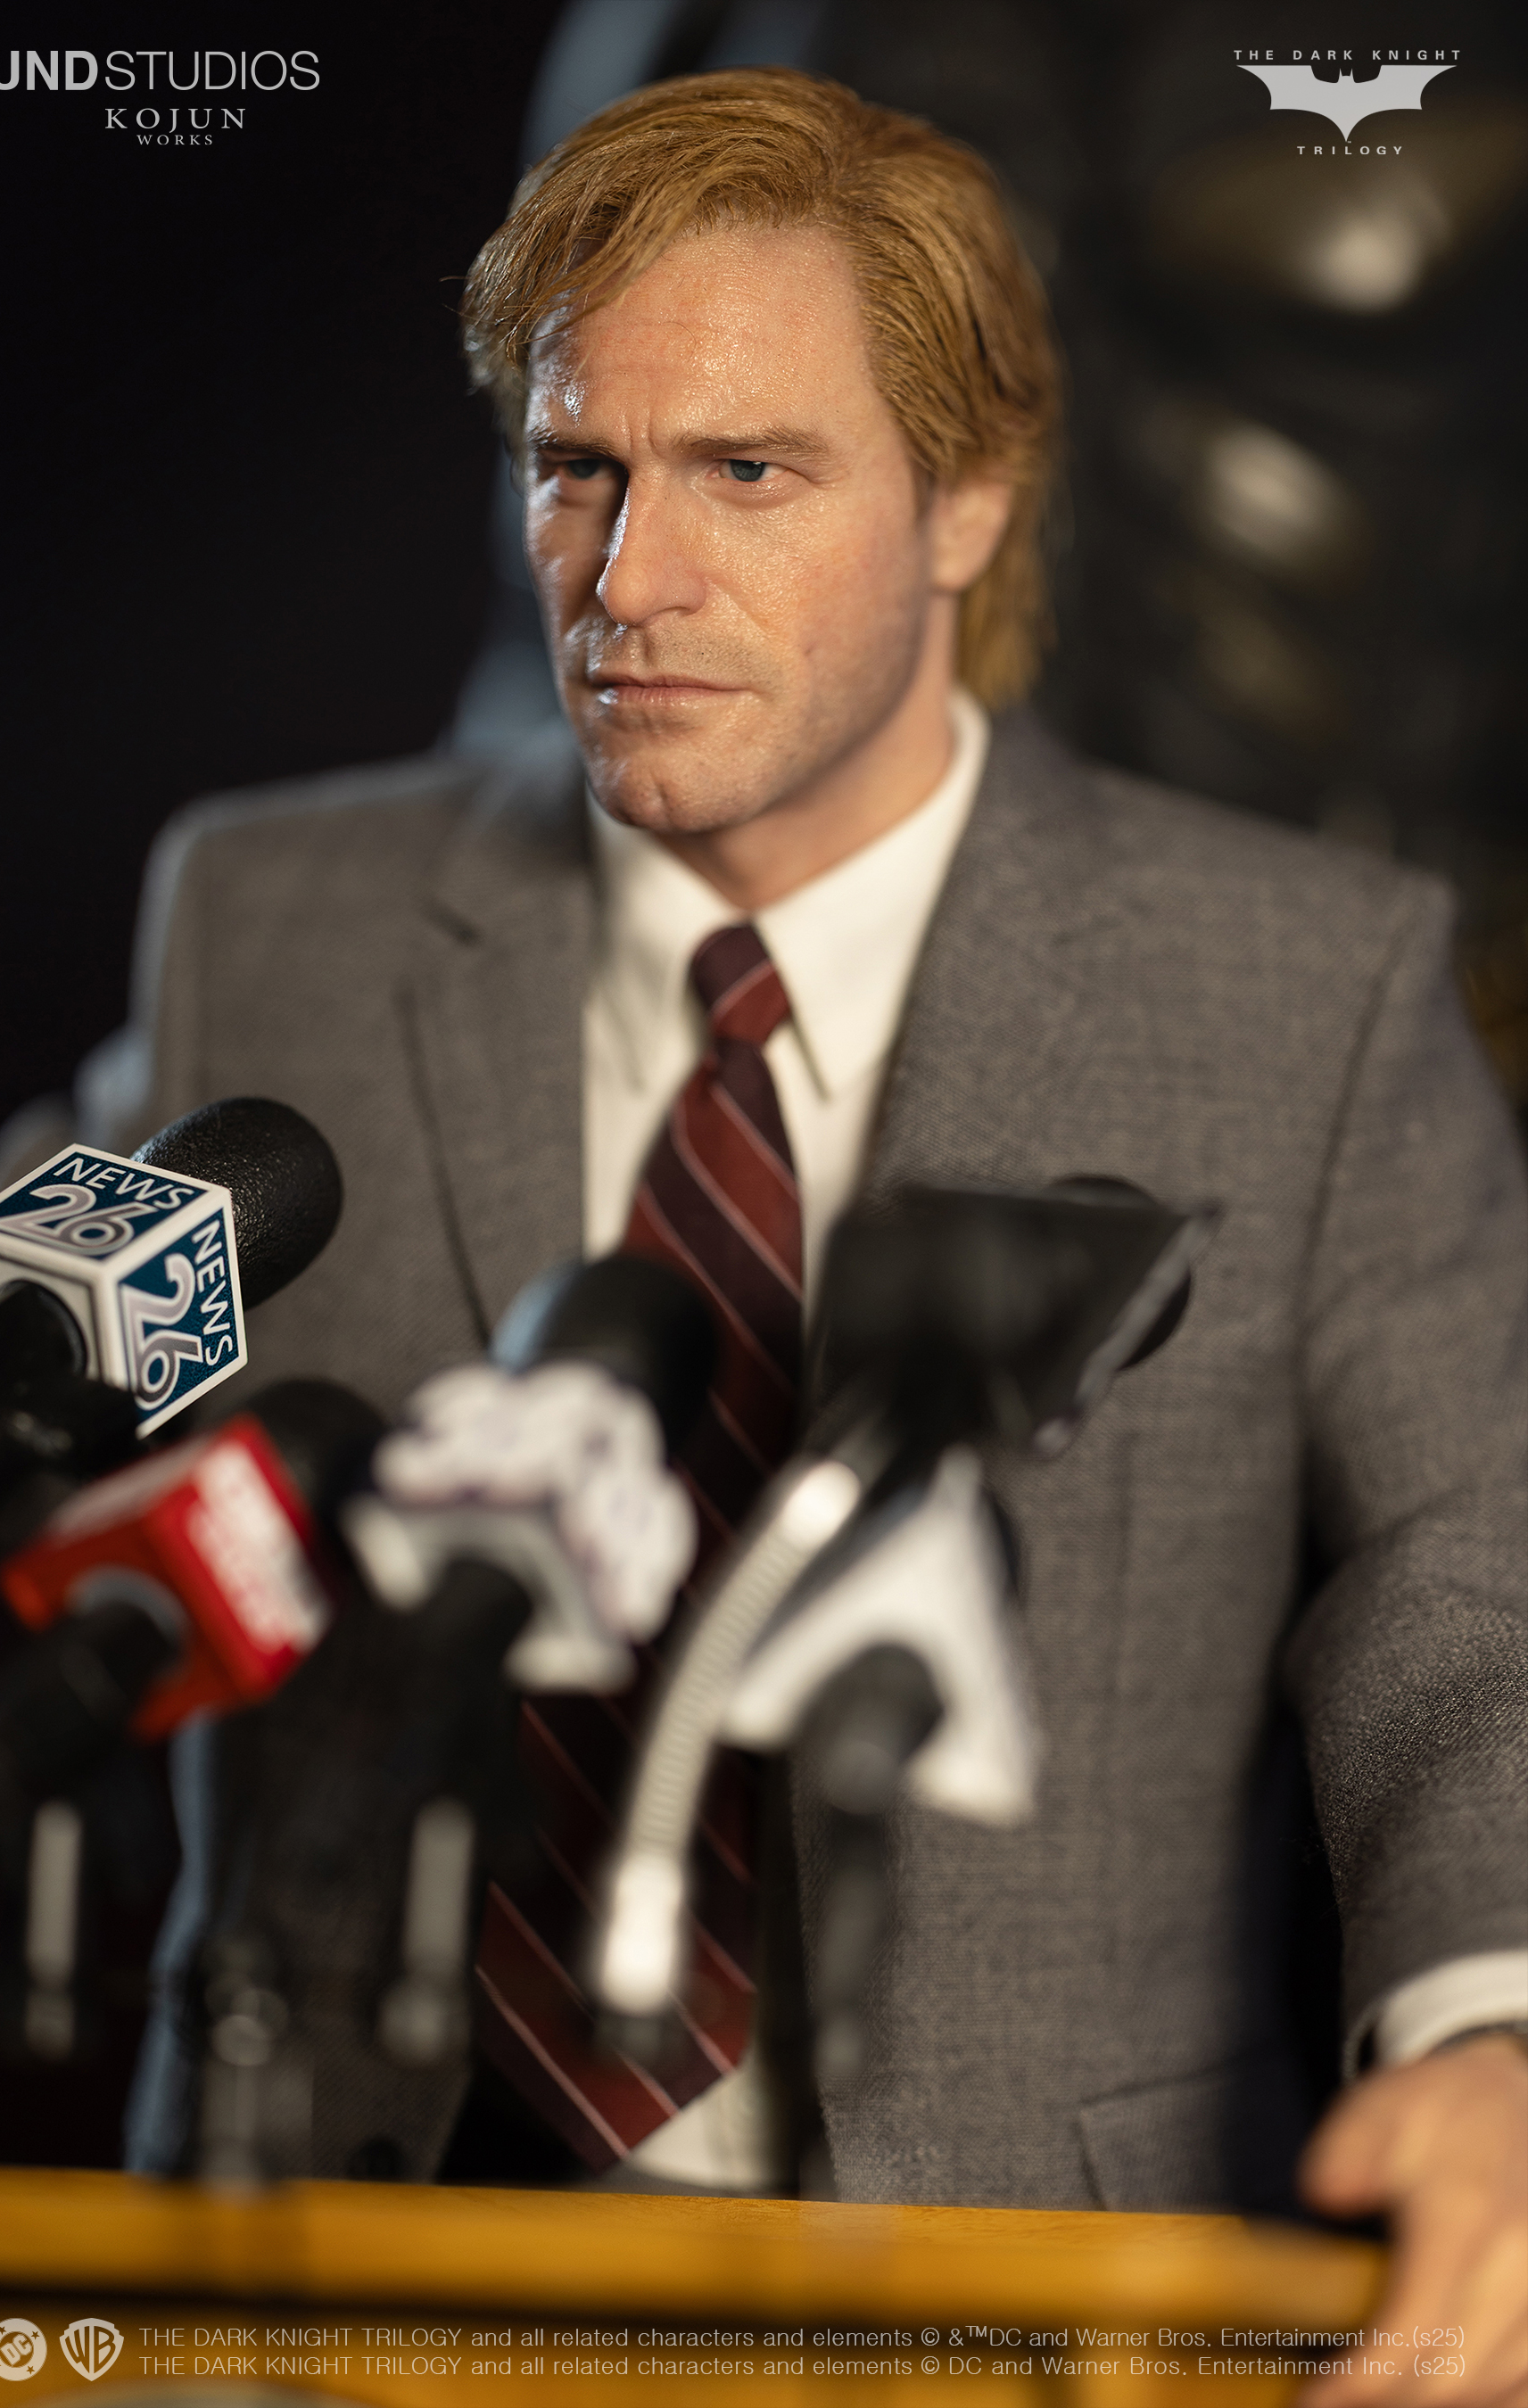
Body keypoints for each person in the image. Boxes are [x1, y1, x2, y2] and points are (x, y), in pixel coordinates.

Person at [114, 70, 1523, 2401]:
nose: (626, 583)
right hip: (332, 2278)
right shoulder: (275, 922)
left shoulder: (1302, 987)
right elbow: (13, 1345)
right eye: (578, 468)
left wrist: (1494, 2028)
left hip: (1025, 2301)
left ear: (970, 500)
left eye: (748, 473)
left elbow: (1469, 1580)